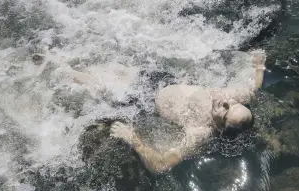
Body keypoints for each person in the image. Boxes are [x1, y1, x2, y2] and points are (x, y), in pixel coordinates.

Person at [110, 52, 267, 174]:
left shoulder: (199, 134)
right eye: (234, 104)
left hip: (143, 98)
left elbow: (160, 166)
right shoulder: (233, 96)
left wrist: (132, 138)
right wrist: (259, 66)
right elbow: (254, 88)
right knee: (115, 68)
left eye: (226, 112)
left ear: (220, 127)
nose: (226, 102)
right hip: (165, 80)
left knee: (100, 78)